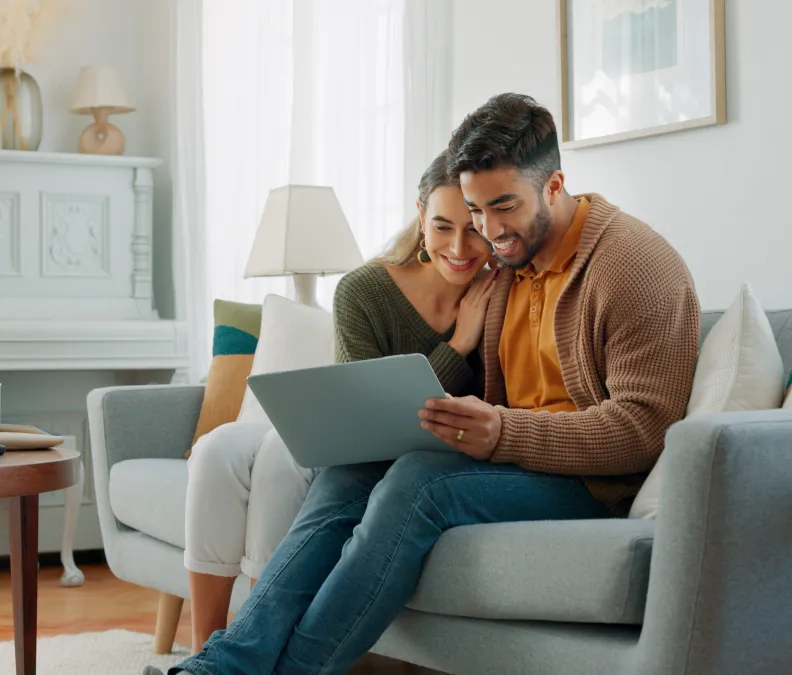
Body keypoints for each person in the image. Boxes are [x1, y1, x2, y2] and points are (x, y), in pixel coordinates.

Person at [147, 93, 700, 675]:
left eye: (502, 207)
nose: (488, 232)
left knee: (420, 482)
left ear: (555, 184)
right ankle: (221, 665)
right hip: (515, 460)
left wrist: (502, 432)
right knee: (350, 470)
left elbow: (645, 430)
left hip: (592, 481)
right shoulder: (509, 262)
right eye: (474, 210)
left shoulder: (633, 266)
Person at [170, 149, 495, 657]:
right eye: (442, 226)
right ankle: (206, 651)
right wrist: (457, 348)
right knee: (220, 451)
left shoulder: (500, 295)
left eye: (473, 228)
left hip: (427, 460)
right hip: (360, 449)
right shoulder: (365, 290)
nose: (459, 246)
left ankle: (247, 655)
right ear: (419, 218)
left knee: (282, 459)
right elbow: (363, 420)